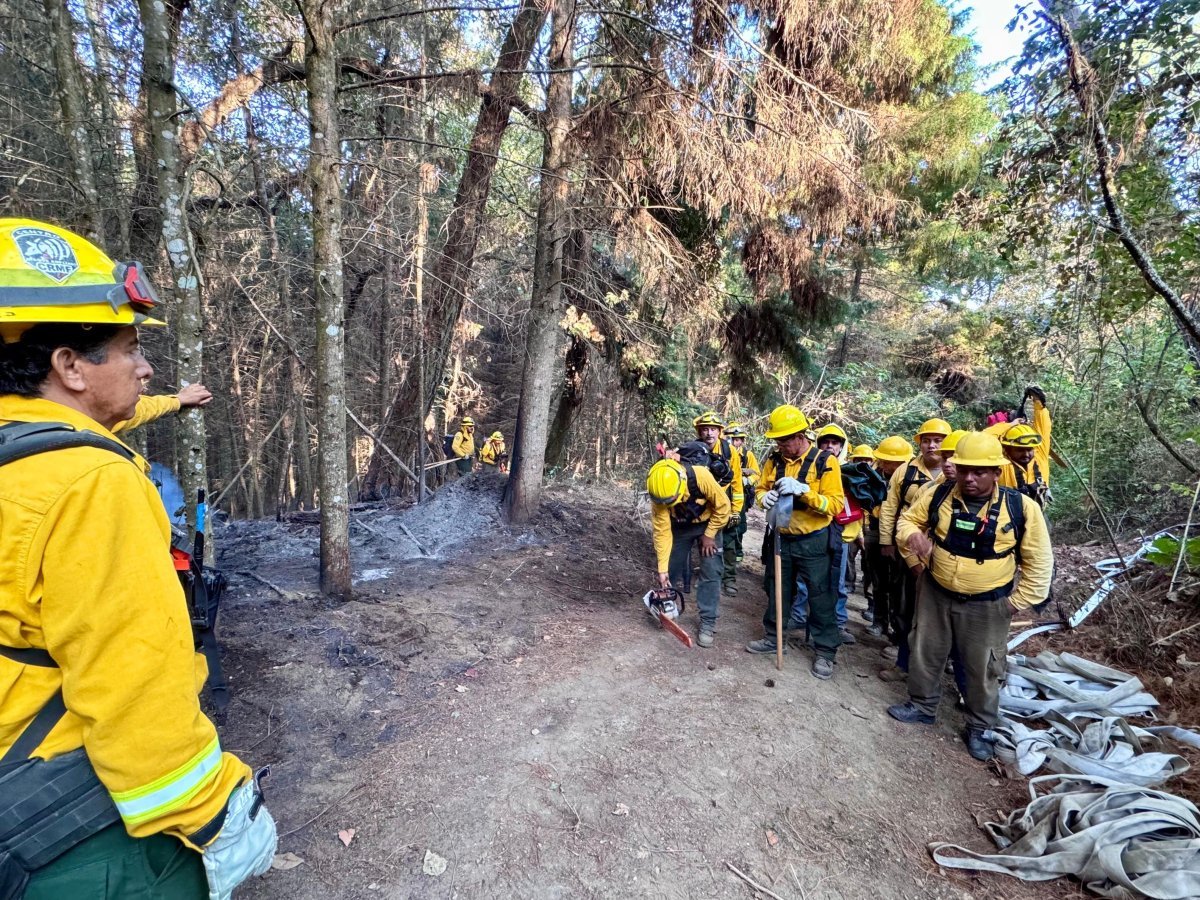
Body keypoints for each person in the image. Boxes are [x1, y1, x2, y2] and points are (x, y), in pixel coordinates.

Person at [0, 219, 275, 898]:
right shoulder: (91, 483)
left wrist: (173, 403)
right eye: (128, 348)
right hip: (65, 829)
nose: (145, 365)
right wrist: (215, 814)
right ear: (68, 365)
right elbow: (133, 685)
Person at [887, 432, 1053, 761]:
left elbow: (1039, 560)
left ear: (995, 471)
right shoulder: (940, 493)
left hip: (990, 602)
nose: (969, 478)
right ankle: (922, 706)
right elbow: (907, 519)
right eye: (964, 470)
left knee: (983, 666)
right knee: (925, 650)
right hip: (936, 591)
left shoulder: (1022, 508)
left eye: (979, 471)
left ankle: (980, 726)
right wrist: (913, 537)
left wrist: (1015, 602)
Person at [746, 405, 845, 680]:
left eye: (785, 439)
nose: (781, 445)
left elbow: (835, 505)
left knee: (820, 594)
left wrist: (805, 492)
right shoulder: (774, 460)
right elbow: (761, 487)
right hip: (781, 537)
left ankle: (825, 651)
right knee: (778, 588)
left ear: (801, 435)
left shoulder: (825, 461)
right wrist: (762, 497)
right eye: (778, 440)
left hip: (814, 540)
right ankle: (773, 637)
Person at [878, 418, 950, 680]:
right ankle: (903, 658)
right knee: (905, 604)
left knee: (942, 614)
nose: (932, 446)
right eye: (926, 440)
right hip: (907, 548)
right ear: (919, 443)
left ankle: (941, 662)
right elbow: (890, 507)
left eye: (938, 440)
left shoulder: (959, 474)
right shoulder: (905, 471)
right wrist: (887, 541)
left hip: (943, 558)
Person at [646, 456, 731, 648]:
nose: (667, 504)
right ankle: (666, 607)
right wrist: (662, 568)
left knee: (711, 570)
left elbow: (723, 506)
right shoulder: (658, 491)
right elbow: (662, 532)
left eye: (672, 500)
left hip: (709, 522)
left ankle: (708, 621)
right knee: (669, 567)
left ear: (681, 483)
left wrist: (709, 535)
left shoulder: (700, 476)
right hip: (681, 525)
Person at [788, 424, 858, 645]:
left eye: (835, 443)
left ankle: (837, 623)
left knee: (835, 583)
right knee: (804, 580)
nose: (830, 446)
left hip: (842, 533)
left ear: (842, 447)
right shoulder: (814, 466)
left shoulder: (852, 473)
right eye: (825, 442)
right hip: (816, 532)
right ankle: (798, 616)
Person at [864, 437, 913, 645]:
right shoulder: (872, 478)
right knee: (878, 579)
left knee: (900, 586)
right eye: (887, 461)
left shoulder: (910, 478)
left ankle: (897, 628)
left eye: (897, 462)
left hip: (902, 534)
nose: (891, 466)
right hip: (876, 531)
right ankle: (879, 620)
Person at [692, 412, 744, 597]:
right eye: (705, 429)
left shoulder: (730, 452)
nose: (709, 433)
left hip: (724, 504)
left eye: (713, 429)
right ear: (699, 431)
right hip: (702, 505)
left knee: (728, 543)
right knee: (704, 541)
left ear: (720, 431)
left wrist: (736, 511)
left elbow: (737, 483)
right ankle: (706, 575)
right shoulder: (693, 449)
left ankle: (728, 579)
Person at [985, 385, 1052, 508]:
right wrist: (1009, 425)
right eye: (1020, 450)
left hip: (1037, 520)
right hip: (1006, 523)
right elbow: (983, 438)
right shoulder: (1002, 464)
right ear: (1007, 448)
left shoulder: (1039, 455)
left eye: (1029, 449)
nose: (1026, 454)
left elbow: (1044, 428)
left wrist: (1038, 403)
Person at [722, 422, 759, 568]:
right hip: (725, 493)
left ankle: (737, 553)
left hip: (740, 494)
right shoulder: (723, 452)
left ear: (742, 441)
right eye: (732, 439)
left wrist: (746, 480)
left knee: (739, 523)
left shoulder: (747, 455)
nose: (735, 442)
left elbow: (757, 473)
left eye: (738, 439)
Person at [847, 444, 875, 604]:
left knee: (869, 561)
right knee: (849, 556)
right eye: (860, 459)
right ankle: (849, 582)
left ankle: (868, 592)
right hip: (853, 524)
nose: (864, 463)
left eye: (867, 460)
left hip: (870, 526)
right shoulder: (848, 476)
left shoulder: (876, 479)